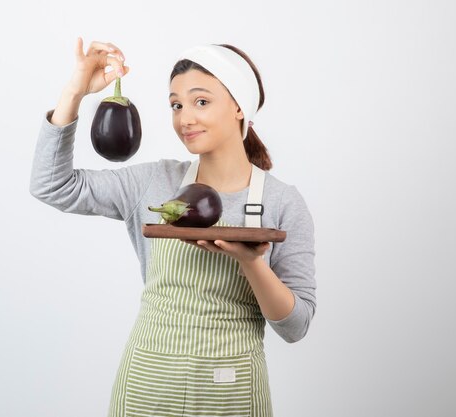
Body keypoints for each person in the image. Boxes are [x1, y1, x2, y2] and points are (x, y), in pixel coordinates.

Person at [29, 37, 316, 417]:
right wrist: (75, 91)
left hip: (230, 392)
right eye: (176, 105)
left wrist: (252, 263)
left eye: (201, 102)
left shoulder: (283, 202)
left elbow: (295, 327)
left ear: (238, 108)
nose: (185, 118)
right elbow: (53, 185)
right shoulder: (155, 183)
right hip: (147, 385)